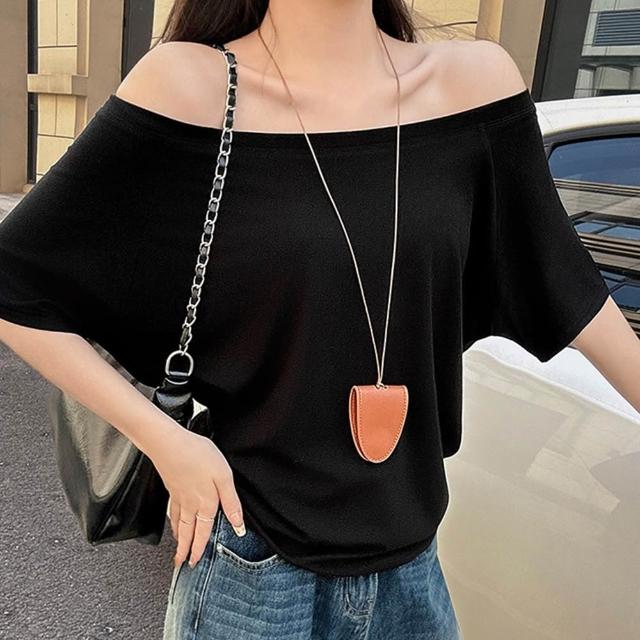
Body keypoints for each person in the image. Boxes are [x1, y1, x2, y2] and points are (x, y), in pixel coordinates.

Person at [1, 1, 638, 639]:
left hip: (412, 580)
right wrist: (168, 442)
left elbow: (569, 286)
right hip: (250, 573)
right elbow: (15, 283)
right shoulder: (191, 87)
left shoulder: (473, 87)